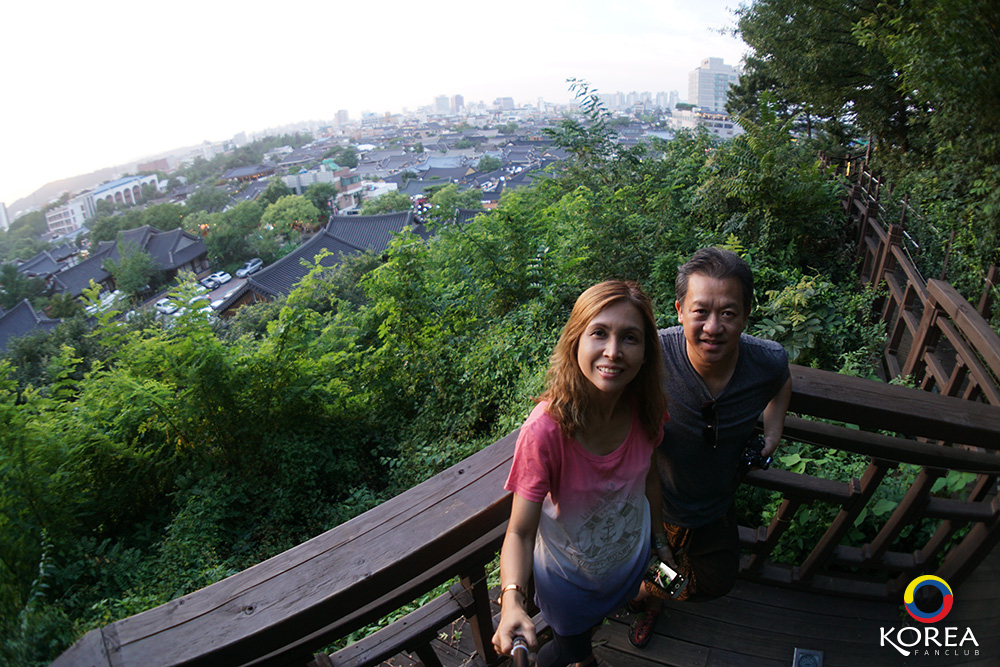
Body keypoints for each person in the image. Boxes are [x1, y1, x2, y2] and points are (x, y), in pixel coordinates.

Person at [492, 280, 672, 667]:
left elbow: (650, 479)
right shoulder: (546, 431)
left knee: (652, 590)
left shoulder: (647, 408)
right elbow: (520, 531)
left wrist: (661, 542)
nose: (613, 351)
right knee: (573, 652)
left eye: (630, 338)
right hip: (569, 586)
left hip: (632, 562)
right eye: (599, 333)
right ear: (575, 341)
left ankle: (639, 604)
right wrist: (512, 601)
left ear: (646, 352)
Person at [628, 247, 793, 648]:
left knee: (716, 580)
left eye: (728, 313)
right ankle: (651, 602)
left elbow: (782, 380)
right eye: (700, 311)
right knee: (656, 563)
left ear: (746, 314)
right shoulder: (653, 354)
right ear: (680, 311)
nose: (713, 327)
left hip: (714, 505)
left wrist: (773, 433)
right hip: (652, 504)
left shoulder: (765, 361)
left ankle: (645, 592)